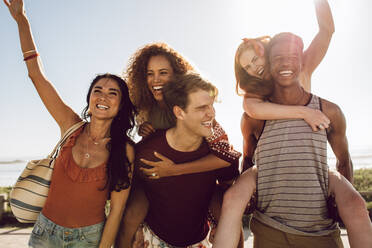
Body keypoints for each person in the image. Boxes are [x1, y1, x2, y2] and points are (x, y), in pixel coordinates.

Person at [214, 33, 372, 248]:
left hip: (314, 166)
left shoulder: (317, 97)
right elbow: (249, 156)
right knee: (232, 198)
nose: (253, 68)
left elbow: (343, 160)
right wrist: (304, 113)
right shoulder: (254, 107)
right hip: (266, 170)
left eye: (255, 59)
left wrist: (341, 202)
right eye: (247, 67)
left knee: (355, 203)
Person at [4, 0, 136, 247]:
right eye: (98, 90)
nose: (103, 96)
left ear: (121, 106)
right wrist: (22, 20)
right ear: (89, 98)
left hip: (86, 240)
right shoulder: (71, 125)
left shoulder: (124, 150)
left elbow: (117, 211)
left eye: (112, 92)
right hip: (44, 233)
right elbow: (36, 74)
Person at [116, 43, 242, 248]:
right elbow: (146, 142)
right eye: (150, 74)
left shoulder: (198, 112)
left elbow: (225, 153)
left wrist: (175, 170)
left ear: (177, 76)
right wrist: (144, 131)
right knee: (131, 214)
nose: (155, 80)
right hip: (156, 185)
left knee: (226, 209)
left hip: (198, 181)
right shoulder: (146, 109)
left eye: (163, 73)